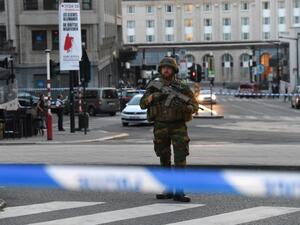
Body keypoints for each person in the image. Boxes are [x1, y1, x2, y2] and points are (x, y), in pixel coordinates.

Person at [140, 56, 198, 202]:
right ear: (160, 69)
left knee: (180, 159)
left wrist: (185, 107)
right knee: (164, 158)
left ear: (174, 70)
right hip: (160, 126)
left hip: (178, 126)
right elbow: (142, 104)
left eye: (169, 67)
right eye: (164, 67)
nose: (166, 70)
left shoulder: (182, 87)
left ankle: (179, 191)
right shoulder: (154, 85)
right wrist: (154, 97)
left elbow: (194, 106)